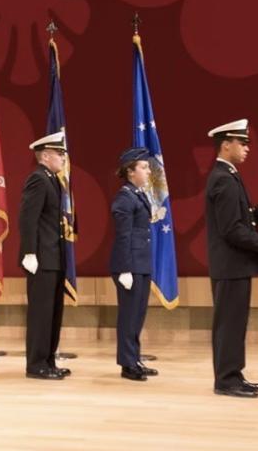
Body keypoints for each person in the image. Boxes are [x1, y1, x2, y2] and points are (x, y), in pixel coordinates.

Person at [206, 119, 258, 398]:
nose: (247, 148)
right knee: (229, 324)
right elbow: (231, 230)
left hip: (234, 265)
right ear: (226, 145)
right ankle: (226, 380)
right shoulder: (223, 179)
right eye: (242, 143)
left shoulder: (229, 175)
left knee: (235, 324)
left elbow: (243, 219)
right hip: (230, 265)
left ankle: (233, 374)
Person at [19, 133, 71, 380]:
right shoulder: (38, 179)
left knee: (53, 312)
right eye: (59, 154)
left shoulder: (52, 180)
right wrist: (29, 252)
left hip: (54, 257)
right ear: (46, 156)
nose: (63, 157)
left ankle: (49, 359)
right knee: (41, 313)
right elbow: (28, 218)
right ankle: (36, 364)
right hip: (41, 257)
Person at [109, 147, 159, 381]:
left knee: (137, 315)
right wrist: (125, 268)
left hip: (141, 263)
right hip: (130, 264)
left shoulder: (137, 195)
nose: (149, 171)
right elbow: (123, 236)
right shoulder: (125, 197)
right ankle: (128, 364)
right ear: (131, 172)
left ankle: (135, 359)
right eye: (144, 167)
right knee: (129, 316)